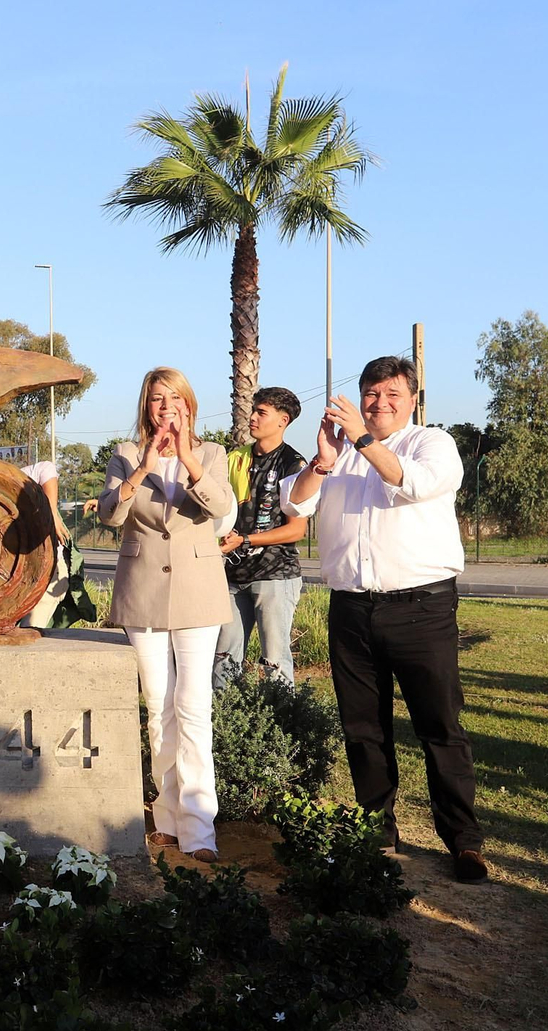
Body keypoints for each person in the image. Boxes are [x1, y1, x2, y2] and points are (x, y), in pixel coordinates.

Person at [280, 356, 486, 883]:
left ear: (412, 399)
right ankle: (378, 828)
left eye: (392, 394)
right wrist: (323, 461)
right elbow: (294, 506)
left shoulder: (431, 444)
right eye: (371, 393)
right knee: (363, 727)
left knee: (439, 725)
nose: (380, 403)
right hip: (352, 608)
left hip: (421, 609)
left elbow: (411, 483)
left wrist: (362, 441)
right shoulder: (340, 455)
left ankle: (463, 839)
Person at [83, 368, 233, 862]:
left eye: (174, 398)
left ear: (189, 405)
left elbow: (219, 506)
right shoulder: (126, 454)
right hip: (142, 592)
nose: (166, 406)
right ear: (146, 406)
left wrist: (186, 456)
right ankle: (166, 819)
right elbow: (109, 514)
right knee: (158, 707)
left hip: (198, 592)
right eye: (156, 398)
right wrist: (142, 469)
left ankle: (199, 828)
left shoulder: (211, 454)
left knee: (193, 706)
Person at [214, 386, 309, 688]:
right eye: (253, 410)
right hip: (232, 574)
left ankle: (282, 718)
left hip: (275, 575)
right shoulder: (234, 459)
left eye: (261, 412)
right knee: (223, 658)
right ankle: (225, 716)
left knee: (274, 661)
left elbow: (296, 529)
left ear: (283, 420)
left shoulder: (294, 464)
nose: (252, 417)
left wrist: (245, 540)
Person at [19, 456, 73, 628]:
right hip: (19, 573)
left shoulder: (15, 477)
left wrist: (52, 514)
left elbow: (46, 468)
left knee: (32, 627)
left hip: (48, 568)